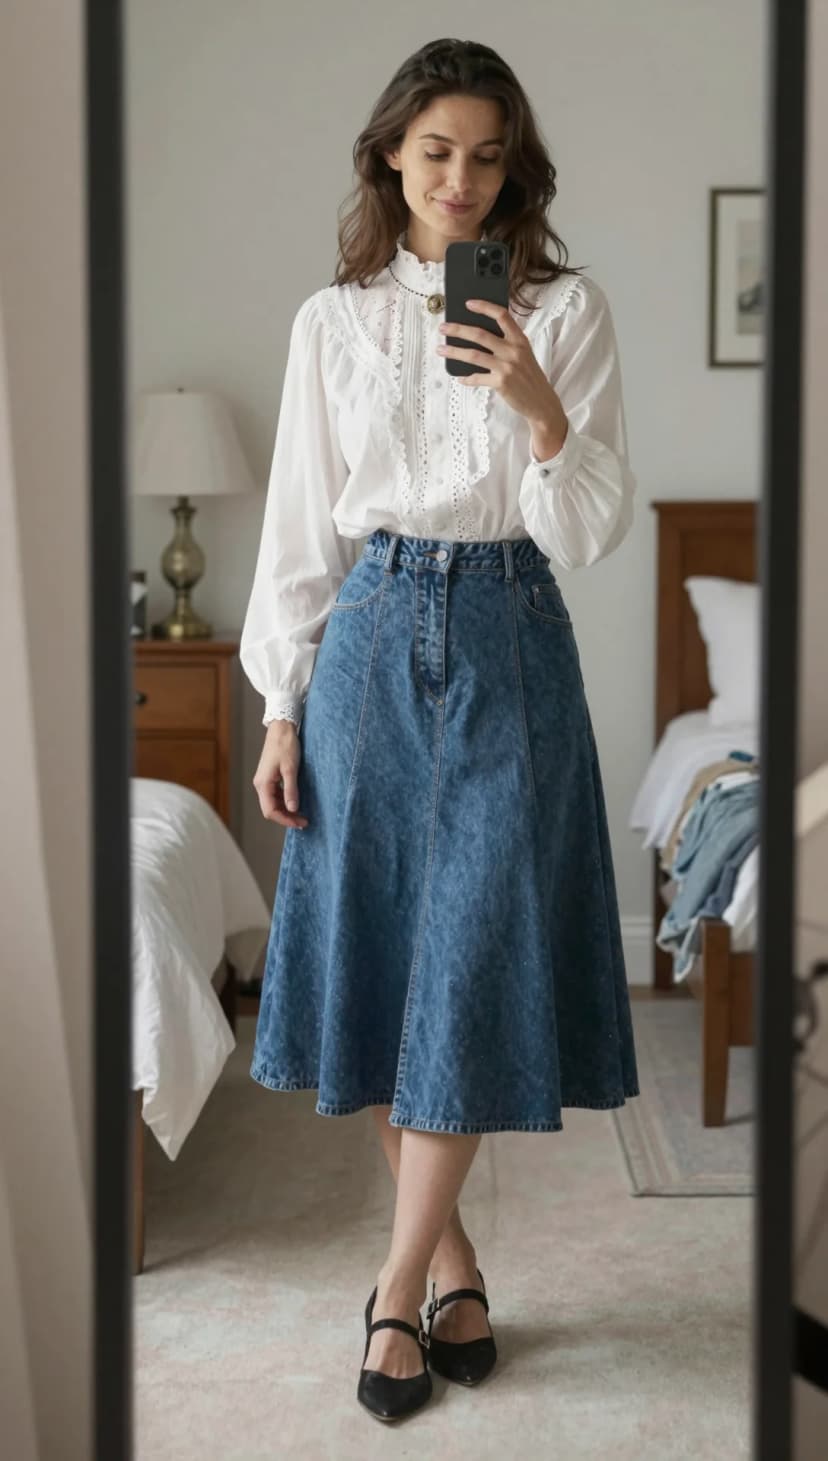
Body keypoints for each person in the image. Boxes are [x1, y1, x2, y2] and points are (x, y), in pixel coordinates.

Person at [240, 37, 640, 1424]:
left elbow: (587, 528)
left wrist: (537, 408)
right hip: (365, 639)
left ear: (513, 165)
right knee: (373, 964)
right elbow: (301, 525)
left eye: (485, 154)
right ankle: (458, 1262)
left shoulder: (566, 310)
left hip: (512, 641)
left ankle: (394, 1285)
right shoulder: (332, 323)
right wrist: (278, 706)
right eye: (435, 152)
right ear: (390, 159)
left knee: (466, 968)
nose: (462, 180)